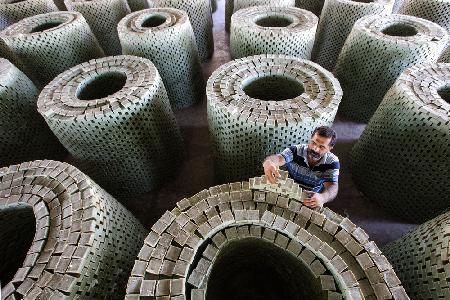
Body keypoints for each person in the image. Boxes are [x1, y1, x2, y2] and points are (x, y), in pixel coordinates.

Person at [262, 126, 339, 209]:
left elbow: (332, 185)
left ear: (330, 148)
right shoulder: (295, 150)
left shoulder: (332, 162)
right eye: (313, 142)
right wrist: (269, 162)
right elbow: (279, 158)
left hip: (310, 199)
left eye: (321, 147)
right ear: (310, 138)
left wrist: (323, 197)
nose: (315, 149)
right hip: (288, 191)